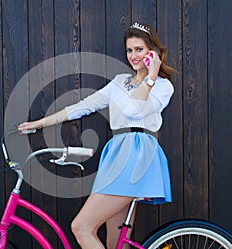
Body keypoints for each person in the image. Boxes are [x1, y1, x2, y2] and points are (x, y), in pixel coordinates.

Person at [18, 22, 175, 249]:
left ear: (153, 52)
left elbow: (134, 111)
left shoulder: (162, 86)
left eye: (139, 49)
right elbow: (83, 106)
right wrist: (39, 123)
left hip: (137, 154)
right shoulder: (121, 81)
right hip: (117, 153)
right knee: (115, 241)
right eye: (129, 50)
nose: (133, 56)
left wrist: (150, 76)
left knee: (81, 226)